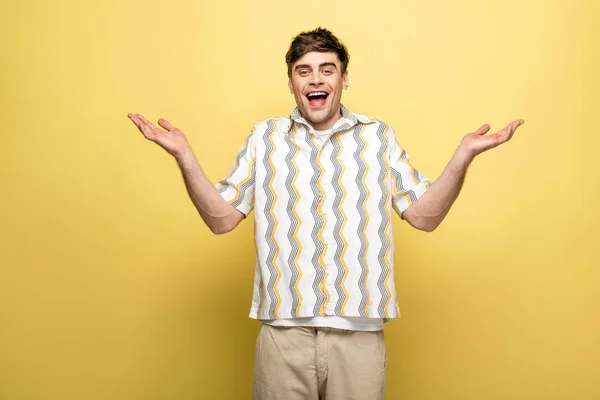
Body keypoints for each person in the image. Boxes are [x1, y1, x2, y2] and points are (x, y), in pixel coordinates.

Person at [128, 27, 524, 400]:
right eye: (304, 71)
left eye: (326, 69)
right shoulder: (264, 138)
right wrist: (184, 156)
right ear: (291, 82)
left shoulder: (378, 137)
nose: (315, 79)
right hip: (283, 336)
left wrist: (463, 156)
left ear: (343, 78)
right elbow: (222, 219)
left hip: (360, 336)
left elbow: (425, 216)